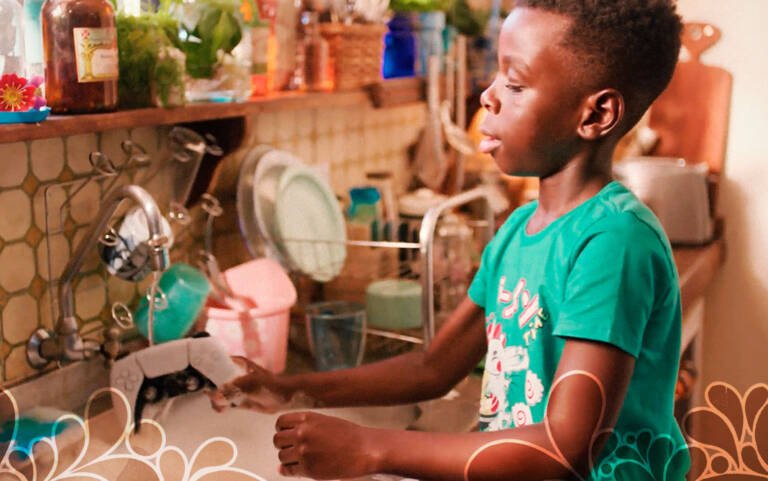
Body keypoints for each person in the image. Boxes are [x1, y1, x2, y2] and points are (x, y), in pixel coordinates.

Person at [211, 1, 688, 479]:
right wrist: (290, 389)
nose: (489, 96)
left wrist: (372, 447)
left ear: (597, 113)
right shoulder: (520, 229)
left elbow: (564, 449)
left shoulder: (613, 241)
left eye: (514, 84)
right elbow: (433, 368)